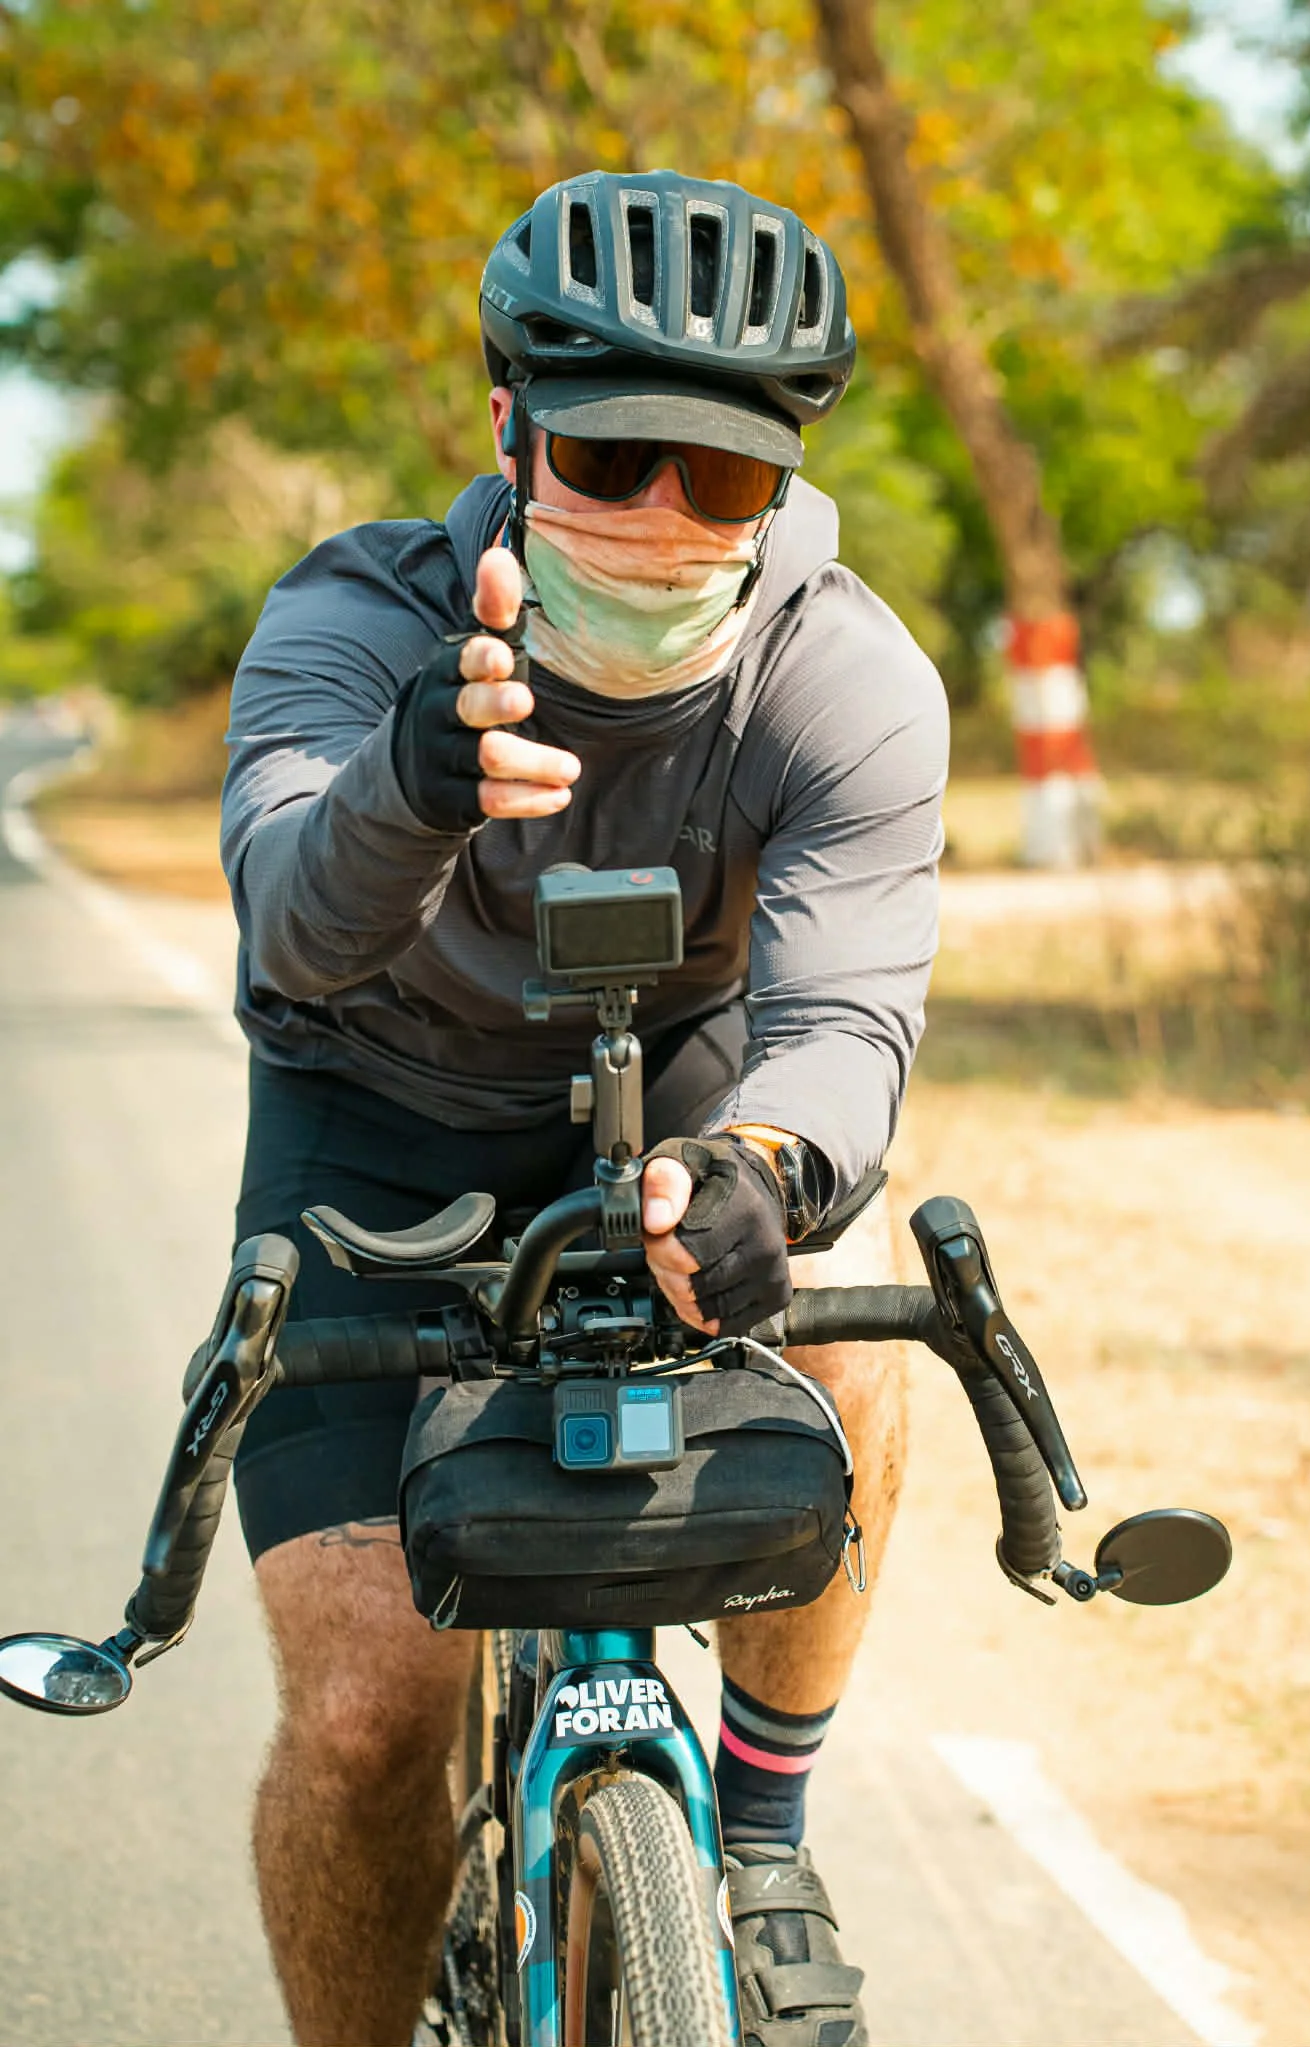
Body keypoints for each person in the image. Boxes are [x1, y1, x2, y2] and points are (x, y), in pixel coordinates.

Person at [222, 168, 947, 2047]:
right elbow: (290, 931)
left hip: (680, 1098)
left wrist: (766, 1167)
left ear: (780, 485)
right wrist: (411, 776)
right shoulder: (354, 619)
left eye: (722, 477)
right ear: (508, 429)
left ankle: (763, 1840)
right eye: (610, 456)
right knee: (368, 1716)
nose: (657, 517)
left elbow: (844, 1017)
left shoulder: (842, 669)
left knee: (846, 1294)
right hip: (375, 1119)